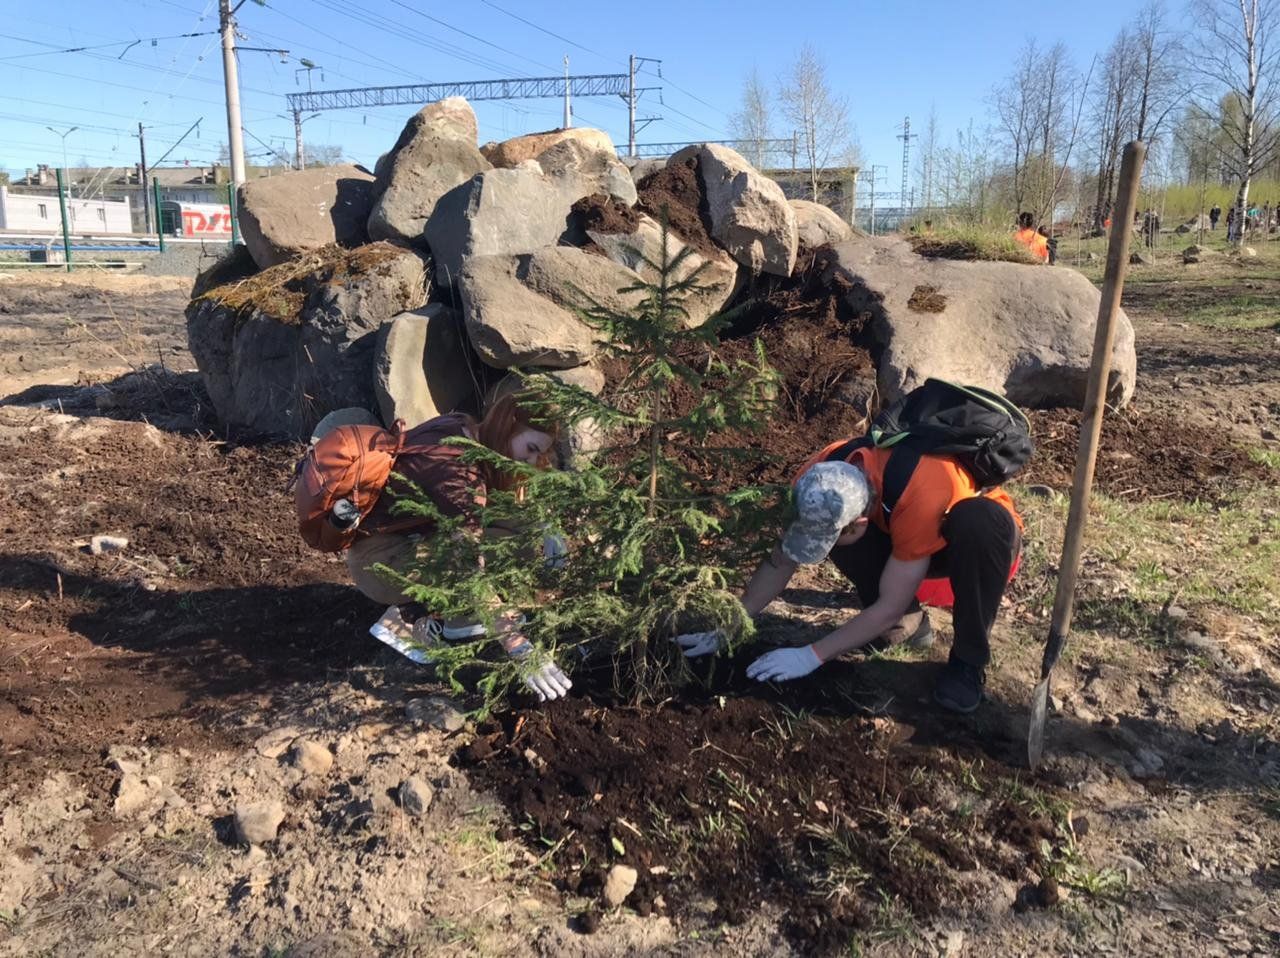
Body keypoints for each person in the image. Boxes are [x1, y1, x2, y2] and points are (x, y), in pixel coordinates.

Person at [675, 443, 1023, 714]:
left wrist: (812, 655)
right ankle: (910, 628)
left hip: (971, 540)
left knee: (978, 522)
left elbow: (888, 605)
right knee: (839, 544)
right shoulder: (819, 474)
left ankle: (968, 661)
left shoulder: (923, 491)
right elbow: (783, 559)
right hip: (895, 524)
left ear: (860, 523)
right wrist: (733, 623)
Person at [345, 394, 573, 702]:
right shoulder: (458, 476)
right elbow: (467, 568)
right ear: (508, 426)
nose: (531, 461)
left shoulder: (464, 427)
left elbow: (500, 505)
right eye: (531, 449)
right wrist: (517, 644)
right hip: (381, 563)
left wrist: (545, 527)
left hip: (408, 542)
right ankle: (418, 622)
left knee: (522, 540)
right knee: (479, 573)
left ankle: (459, 613)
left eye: (538, 454)